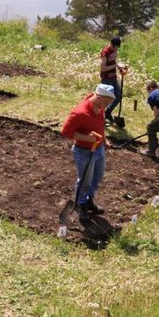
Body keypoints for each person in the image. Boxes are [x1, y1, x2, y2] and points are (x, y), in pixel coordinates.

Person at [59, 84, 116, 222]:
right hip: (84, 151)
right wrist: (87, 138)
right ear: (99, 97)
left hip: (99, 148)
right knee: (85, 180)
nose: (108, 106)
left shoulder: (100, 108)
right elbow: (66, 132)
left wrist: (104, 140)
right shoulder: (79, 112)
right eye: (107, 102)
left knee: (98, 176)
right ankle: (80, 205)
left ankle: (88, 199)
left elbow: (100, 126)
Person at [100, 36, 128, 123]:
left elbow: (114, 61)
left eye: (117, 47)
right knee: (105, 99)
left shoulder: (114, 50)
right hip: (106, 79)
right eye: (114, 47)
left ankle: (108, 112)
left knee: (118, 96)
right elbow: (103, 68)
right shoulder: (105, 53)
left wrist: (120, 69)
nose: (115, 49)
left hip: (113, 77)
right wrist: (115, 66)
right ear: (111, 43)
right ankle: (100, 117)